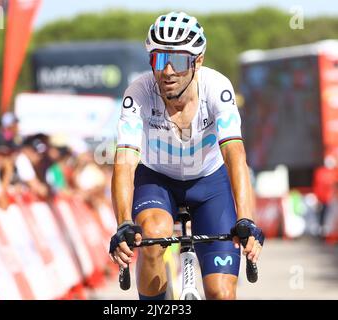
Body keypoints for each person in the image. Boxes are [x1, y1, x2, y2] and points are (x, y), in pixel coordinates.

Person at [109, 12, 264, 300]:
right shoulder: (139, 93)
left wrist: (246, 219)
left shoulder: (217, 89)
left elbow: (234, 155)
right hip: (157, 179)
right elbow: (125, 162)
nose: (167, 71)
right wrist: (123, 224)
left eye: (178, 60)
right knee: (153, 236)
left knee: (221, 292)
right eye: (158, 59)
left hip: (209, 182)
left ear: (198, 61)